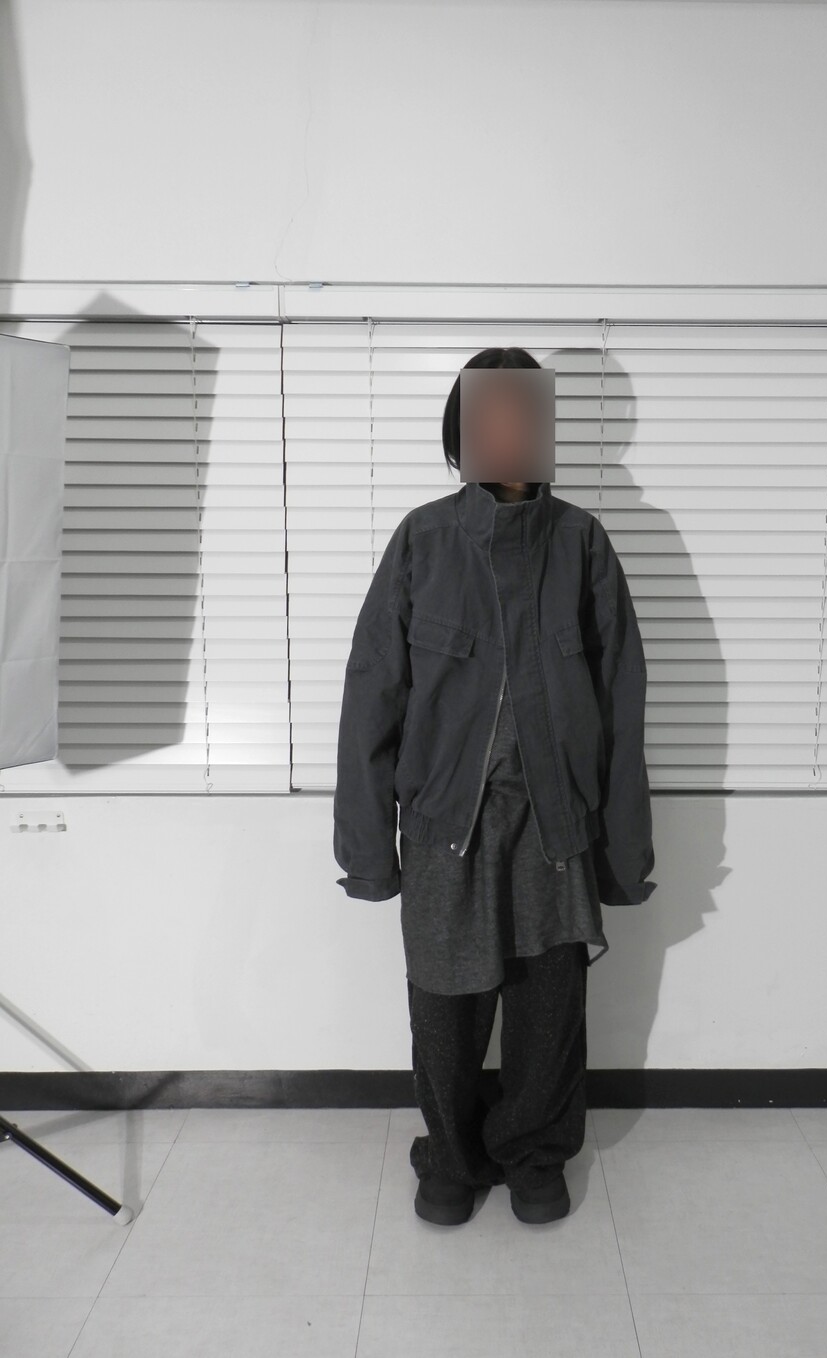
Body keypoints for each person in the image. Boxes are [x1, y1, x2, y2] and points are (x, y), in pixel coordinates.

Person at [333, 346, 656, 1228]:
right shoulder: (423, 540)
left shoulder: (582, 542)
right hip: (446, 826)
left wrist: (624, 851)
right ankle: (452, 1159)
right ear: (462, 432)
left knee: (550, 1008)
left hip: (556, 824)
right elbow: (371, 695)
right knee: (445, 1008)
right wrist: (368, 850)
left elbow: (621, 699)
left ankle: (535, 1155)